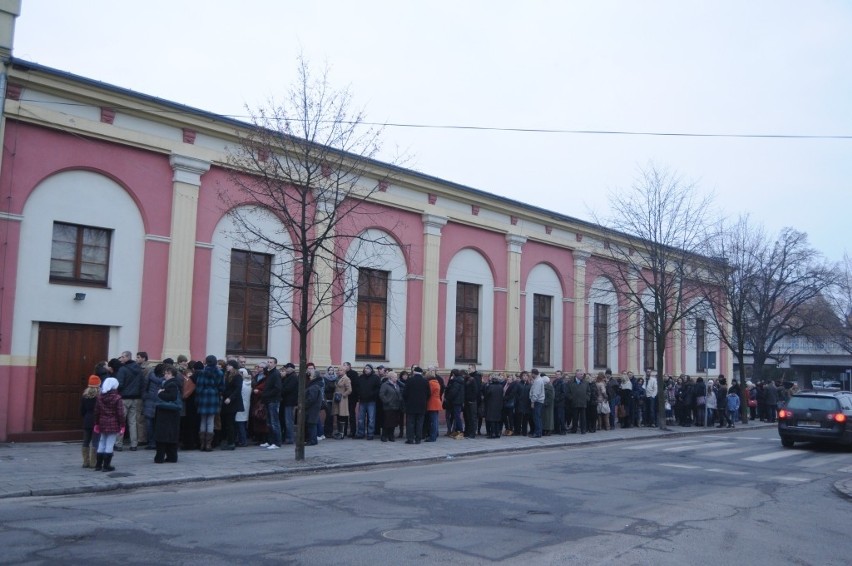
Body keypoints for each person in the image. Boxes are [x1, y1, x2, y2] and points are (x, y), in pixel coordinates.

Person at [94, 377, 125, 472]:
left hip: (102, 422)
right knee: (110, 443)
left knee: (101, 442)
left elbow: (96, 411)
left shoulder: (100, 397)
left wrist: (96, 423)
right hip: (113, 422)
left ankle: (98, 465)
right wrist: (122, 424)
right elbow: (120, 413)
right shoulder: (117, 398)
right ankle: (106, 466)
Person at [113, 350, 142, 451]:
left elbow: (119, 384)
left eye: (123, 357)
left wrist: (118, 392)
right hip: (136, 397)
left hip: (124, 398)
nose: (121, 359)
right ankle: (134, 444)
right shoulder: (138, 368)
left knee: (121, 421)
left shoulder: (123, 369)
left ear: (127, 357)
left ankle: (119, 443)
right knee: (133, 422)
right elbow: (142, 383)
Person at [153, 364, 182, 463]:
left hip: (166, 413)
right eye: (165, 373)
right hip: (172, 414)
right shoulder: (174, 383)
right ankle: (172, 457)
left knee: (162, 436)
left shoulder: (172, 384)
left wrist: (160, 393)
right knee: (171, 436)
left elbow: (172, 397)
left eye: (168, 373)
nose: (165, 375)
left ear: (172, 374)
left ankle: (160, 457)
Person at [196, 354, 224, 451]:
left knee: (203, 420)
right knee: (211, 421)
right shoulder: (220, 373)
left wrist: (198, 398)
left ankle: (202, 444)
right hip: (214, 396)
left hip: (203, 396)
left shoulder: (202, 373)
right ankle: (208, 444)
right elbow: (222, 387)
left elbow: (198, 387)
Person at [258, 358, 283, 449]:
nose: (269, 364)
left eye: (271, 362)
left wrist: (266, 394)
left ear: (275, 364)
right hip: (268, 400)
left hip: (273, 400)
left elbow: (277, 388)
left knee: (274, 422)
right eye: (268, 362)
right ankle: (270, 441)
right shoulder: (269, 373)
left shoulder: (276, 374)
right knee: (269, 422)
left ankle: (277, 443)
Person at [220, 360, 244, 450]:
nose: (227, 367)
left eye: (229, 365)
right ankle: (229, 441)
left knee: (230, 423)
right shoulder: (227, 375)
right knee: (228, 422)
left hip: (232, 402)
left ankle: (231, 443)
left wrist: (230, 398)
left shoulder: (237, 376)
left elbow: (238, 389)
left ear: (233, 366)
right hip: (227, 401)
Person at [142, 362, 166, 450]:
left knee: (149, 424)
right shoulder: (165, 379)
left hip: (149, 401)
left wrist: (145, 396)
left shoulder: (150, 376)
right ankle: (158, 442)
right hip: (160, 402)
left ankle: (151, 442)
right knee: (159, 424)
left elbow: (144, 387)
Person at [403, 367, 428, 444]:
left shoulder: (410, 380)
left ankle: (410, 439)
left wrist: (407, 401)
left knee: (410, 422)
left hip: (411, 405)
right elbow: (428, 393)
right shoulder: (425, 381)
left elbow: (405, 393)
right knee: (420, 423)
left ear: (414, 372)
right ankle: (418, 439)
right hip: (422, 405)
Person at [355, 364, 381, 440]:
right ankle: (360, 433)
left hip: (371, 401)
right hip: (362, 400)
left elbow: (378, 388)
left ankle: (370, 433)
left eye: (368, 368)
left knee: (371, 419)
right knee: (360, 419)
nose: (366, 369)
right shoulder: (361, 378)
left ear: (371, 370)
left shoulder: (375, 378)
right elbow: (357, 387)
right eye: (365, 368)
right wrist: (360, 394)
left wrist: (372, 394)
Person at [80, 375, 101, 468]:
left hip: (87, 419)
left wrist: (85, 417)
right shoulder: (99, 397)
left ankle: (85, 462)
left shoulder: (85, 396)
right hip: (96, 420)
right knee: (95, 441)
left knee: (86, 441)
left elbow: (81, 410)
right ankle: (93, 462)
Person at [379, 371, 403, 442]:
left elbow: (399, 393)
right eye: (395, 377)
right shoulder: (385, 385)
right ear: (391, 377)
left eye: (396, 377)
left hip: (396, 406)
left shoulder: (397, 385)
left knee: (393, 422)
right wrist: (387, 402)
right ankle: (384, 436)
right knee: (387, 421)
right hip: (388, 407)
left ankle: (391, 436)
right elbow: (381, 394)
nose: (396, 378)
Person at [304, 368, 324, 446]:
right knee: (312, 424)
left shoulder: (314, 386)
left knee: (311, 424)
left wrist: (304, 404)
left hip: (312, 408)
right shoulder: (315, 384)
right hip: (313, 408)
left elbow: (311, 399)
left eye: (311, 374)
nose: (310, 375)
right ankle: (312, 440)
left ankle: (312, 440)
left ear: (314, 376)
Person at [566, 369, 589, 434]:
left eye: (582, 374)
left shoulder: (585, 382)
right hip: (574, 402)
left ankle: (583, 430)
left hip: (583, 403)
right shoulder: (570, 382)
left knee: (583, 418)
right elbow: (567, 392)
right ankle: (574, 429)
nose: (582, 375)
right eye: (580, 374)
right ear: (576, 375)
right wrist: (571, 398)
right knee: (575, 417)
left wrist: (587, 398)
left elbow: (588, 392)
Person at [332, 365, 352, 439]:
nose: (339, 371)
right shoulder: (337, 378)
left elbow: (349, 390)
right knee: (338, 415)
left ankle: (342, 433)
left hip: (342, 400)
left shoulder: (346, 379)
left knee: (342, 416)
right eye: (338, 370)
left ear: (344, 371)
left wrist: (343, 395)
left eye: (340, 370)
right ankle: (338, 431)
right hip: (336, 399)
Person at [445, 369, 466, 439]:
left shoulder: (456, 382)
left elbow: (453, 392)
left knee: (457, 417)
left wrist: (448, 398)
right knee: (456, 416)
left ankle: (460, 431)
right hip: (459, 401)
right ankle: (457, 431)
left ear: (453, 374)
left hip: (456, 401)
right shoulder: (460, 380)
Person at [483, 373, 505, 438]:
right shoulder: (501, 387)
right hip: (499, 405)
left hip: (491, 405)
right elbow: (502, 396)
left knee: (492, 420)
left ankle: (492, 433)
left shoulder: (490, 386)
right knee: (497, 420)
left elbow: (486, 395)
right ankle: (497, 433)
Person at [425, 368, 443, 442]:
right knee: (435, 420)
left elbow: (429, 393)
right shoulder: (436, 382)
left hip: (432, 403)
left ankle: (432, 437)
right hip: (437, 402)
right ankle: (435, 435)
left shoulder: (431, 383)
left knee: (433, 421)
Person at [235, 368, 252, 447]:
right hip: (246, 405)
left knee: (240, 424)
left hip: (240, 405)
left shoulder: (242, 384)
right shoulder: (249, 383)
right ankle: (242, 440)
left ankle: (243, 441)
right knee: (243, 423)